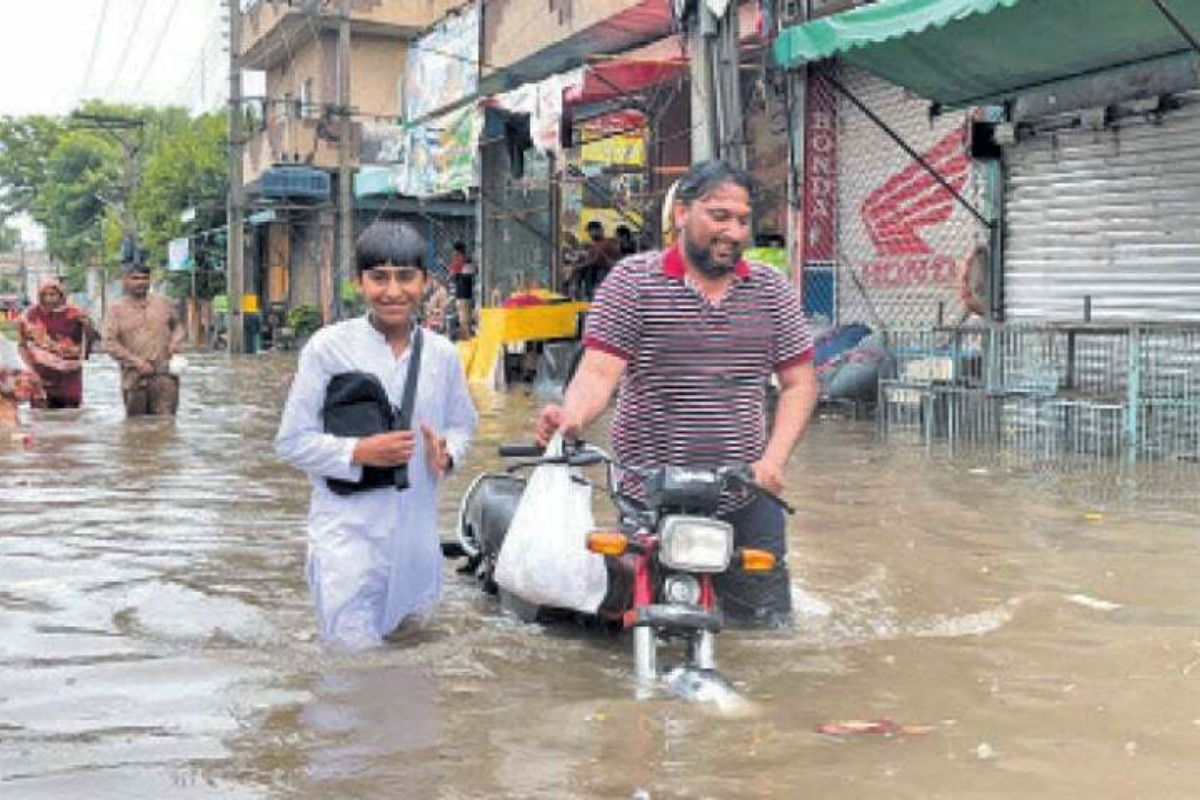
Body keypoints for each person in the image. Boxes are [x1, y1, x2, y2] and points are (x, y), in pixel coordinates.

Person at [535, 160, 820, 628]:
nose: (733, 231)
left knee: (764, 636)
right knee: (641, 625)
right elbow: (598, 373)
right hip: (649, 493)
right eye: (719, 216)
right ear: (683, 213)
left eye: (743, 220)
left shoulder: (772, 291)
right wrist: (570, 419)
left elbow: (800, 383)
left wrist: (773, 462)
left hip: (746, 494)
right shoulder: (632, 282)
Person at [275, 220, 478, 649]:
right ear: (359, 283)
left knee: (412, 689)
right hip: (348, 540)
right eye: (379, 278)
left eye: (405, 277)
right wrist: (359, 451)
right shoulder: (328, 348)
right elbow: (292, 441)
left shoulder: (442, 356)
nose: (392, 291)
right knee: (352, 671)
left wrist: (449, 455)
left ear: (425, 282)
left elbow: (463, 424)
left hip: (417, 545)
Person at [101, 257, 186, 417]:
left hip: (165, 375)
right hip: (135, 377)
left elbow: (179, 327)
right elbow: (109, 343)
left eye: (144, 278)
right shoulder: (115, 310)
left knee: (166, 425)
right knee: (136, 428)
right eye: (135, 278)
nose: (140, 282)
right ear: (125, 281)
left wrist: (175, 341)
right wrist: (137, 362)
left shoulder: (163, 303)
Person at [18, 277, 98, 409]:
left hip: (69, 376)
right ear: (39, 296)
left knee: (70, 414)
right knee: (40, 417)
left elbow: (91, 337)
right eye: (45, 295)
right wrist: (31, 369)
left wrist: (87, 326)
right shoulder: (30, 315)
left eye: (53, 294)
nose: (49, 299)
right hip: (41, 374)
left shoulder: (75, 313)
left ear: (61, 296)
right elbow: (22, 344)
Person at [578, 220, 621, 300]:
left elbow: (595, 260)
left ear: (599, 230)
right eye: (589, 231)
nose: (590, 234)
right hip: (596, 278)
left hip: (604, 275)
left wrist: (579, 266)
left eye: (591, 231)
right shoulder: (594, 244)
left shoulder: (608, 243)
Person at [448, 240, 475, 339]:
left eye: (454, 251)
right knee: (467, 317)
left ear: (457, 251)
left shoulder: (458, 260)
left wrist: (453, 273)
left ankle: (466, 340)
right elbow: (473, 272)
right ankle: (468, 337)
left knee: (463, 319)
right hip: (468, 293)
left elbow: (452, 274)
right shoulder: (468, 260)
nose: (453, 253)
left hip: (461, 294)